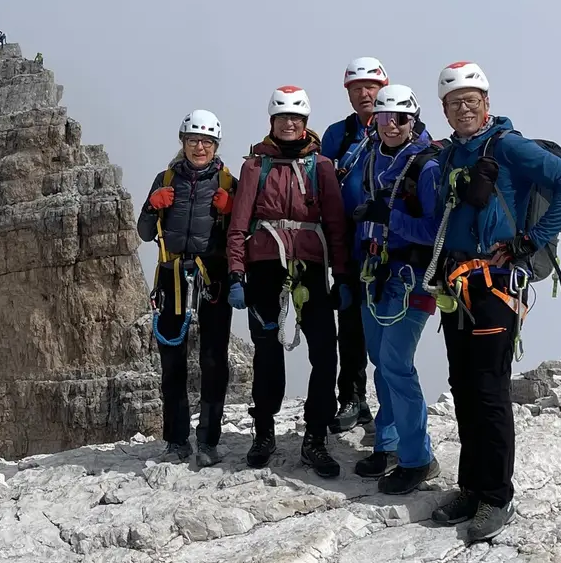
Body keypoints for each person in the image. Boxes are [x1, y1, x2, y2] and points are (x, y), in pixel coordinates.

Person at [423, 61, 561, 543]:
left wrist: (531, 240)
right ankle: (472, 488)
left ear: (486, 103)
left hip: (497, 284)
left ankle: (497, 496)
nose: (464, 109)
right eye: (455, 103)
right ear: (444, 110)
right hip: (459, 285)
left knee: (488, 389)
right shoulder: (450, 154)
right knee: (462, 385)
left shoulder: (508, 145)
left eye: (471, 101)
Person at [226, 86, 351, 477]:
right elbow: (239, 224)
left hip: (310, 266)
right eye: (283, 118)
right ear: (272, 121)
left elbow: (336, 225)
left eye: (295, 118)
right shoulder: (254, 166)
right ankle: (264, 430)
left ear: (305, 122)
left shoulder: (322, 166)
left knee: (324, 351)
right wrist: (236, 273)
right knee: (266, 350)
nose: (289, 124)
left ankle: (315, 435)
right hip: (265, 265)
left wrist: (342, 276)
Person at [342, 83, 441, 494]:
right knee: (380, 362)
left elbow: (435, 231)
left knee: (396, 363)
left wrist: (390, 218)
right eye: (384, 117)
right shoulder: (370, 157)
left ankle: (418, 459)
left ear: (413, 119)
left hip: (411, 277)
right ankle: (389, 444)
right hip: (374, 273)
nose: (392, 125)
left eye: (400, 118)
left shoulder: (427, 166)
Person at [136, 110, 236, 466]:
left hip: (213, 276)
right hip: (172, 275)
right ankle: (176, 440)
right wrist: (152, 207)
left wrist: (231, 209)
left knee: (213, 359)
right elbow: (144, 232)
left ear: (216, 146)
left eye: (207, 142)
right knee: (172, 361)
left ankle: (208, 441)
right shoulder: (165, 180)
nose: (200, 148)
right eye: (194, 140)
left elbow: (241, 234)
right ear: (183, 142)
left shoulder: (228, 183)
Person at [322, 58, 389, 433]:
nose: (365, 93)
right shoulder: (338, 134)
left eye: (371, 86)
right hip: (350, 244)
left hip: (390, 245)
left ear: (383, 88)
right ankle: (352, 398)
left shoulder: (402, 125)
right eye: (357, 88)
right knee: (349, 324)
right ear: (348, 93)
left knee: (388, 327)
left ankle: (390, 405)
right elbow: (323, 185)